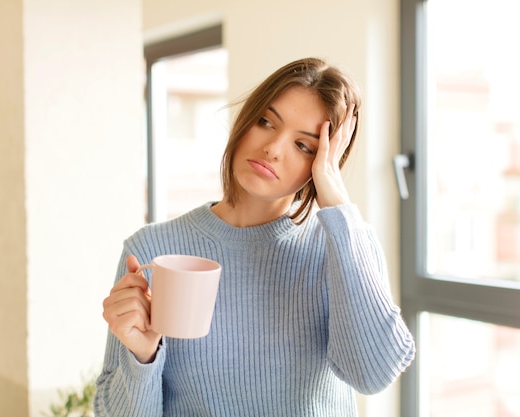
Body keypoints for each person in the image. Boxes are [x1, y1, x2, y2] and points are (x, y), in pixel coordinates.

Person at [94, 57, 415, 417]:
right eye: (266, 122)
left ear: (323, 162)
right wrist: (143, 357)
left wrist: (337, 205)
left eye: (303, 146)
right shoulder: (153, 251)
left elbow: (373, 375)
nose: (273, 148)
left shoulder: (343, 245)